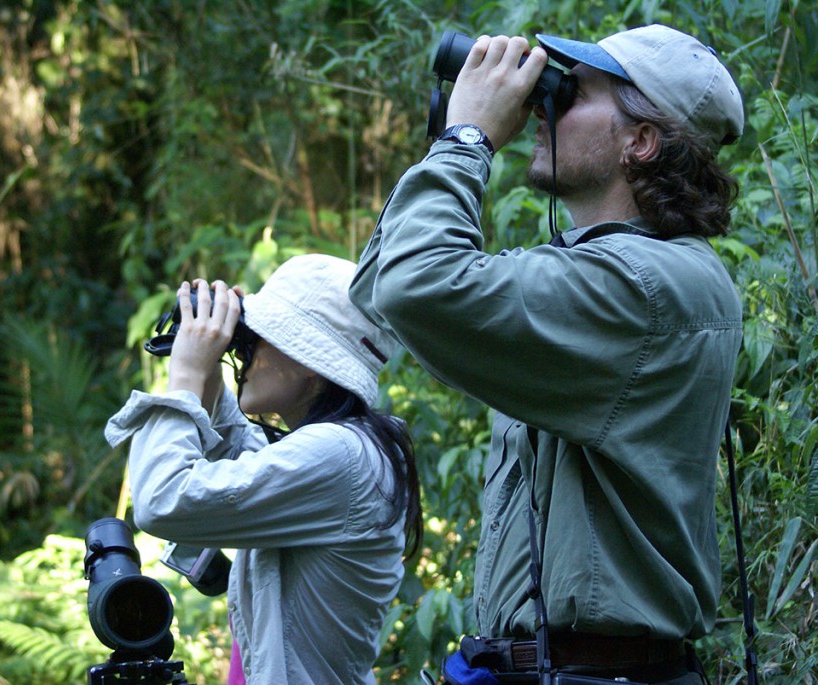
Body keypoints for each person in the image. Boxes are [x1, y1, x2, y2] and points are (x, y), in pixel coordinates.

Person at [348, 25, 743, 684]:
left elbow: (415, 286)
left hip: (601, 674)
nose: (541, 107)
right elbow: (381, 290)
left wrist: (468, 141)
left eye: (570, 92)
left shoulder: (647, 286)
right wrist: (452, 141)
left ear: (641, 141)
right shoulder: (602, 275)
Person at [105, 254, 422, 685]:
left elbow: (162, 502)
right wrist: (210, 369)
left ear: (311, 365)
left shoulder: (342, 455)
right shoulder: (346, 449)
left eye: (258, 337)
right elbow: (238, 451)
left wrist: (185, 374)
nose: (244, 349)